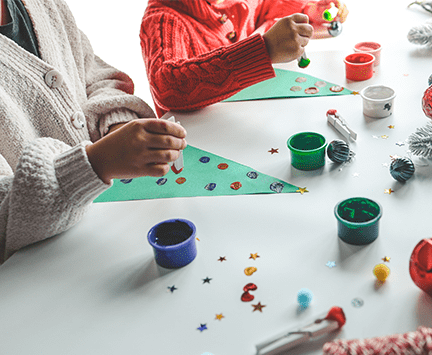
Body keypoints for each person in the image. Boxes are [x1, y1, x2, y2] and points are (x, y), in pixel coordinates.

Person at [0, 0, 187, 263]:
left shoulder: (44, 5)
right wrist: (95, 164)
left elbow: (94, 75)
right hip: (35, 277)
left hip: (101, 235)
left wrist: (116, 123)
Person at [140, 0, 348, 116]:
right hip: (203, 145)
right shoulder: (163, 17)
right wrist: (264, 50)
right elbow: (167, 85)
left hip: (250, 117)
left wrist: (309, 12)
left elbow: (268, 8)